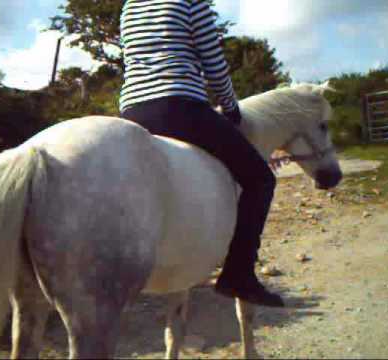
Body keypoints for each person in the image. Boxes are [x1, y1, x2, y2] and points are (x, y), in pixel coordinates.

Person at [119, 0, 283, 307]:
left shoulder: (130, 5)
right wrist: (232, 109)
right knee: (260, 179)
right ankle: (239, 275)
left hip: (132, 112)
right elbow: (214, 63)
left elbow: (130, 59)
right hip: (180, 106)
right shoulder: (191, 2)